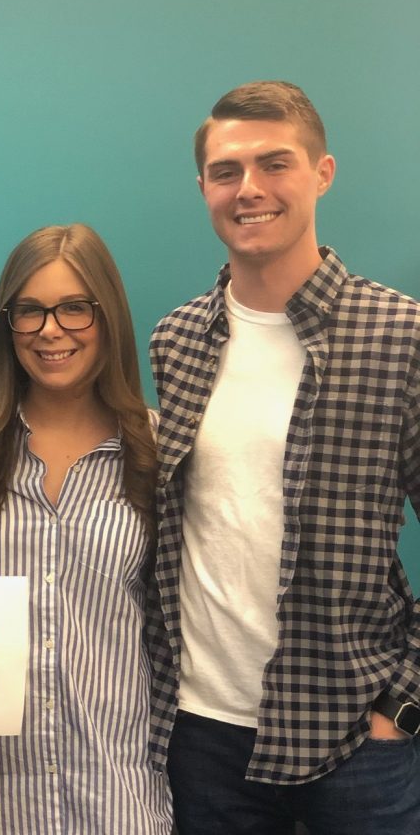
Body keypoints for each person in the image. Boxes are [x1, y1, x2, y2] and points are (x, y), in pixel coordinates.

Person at [149, 80, 420, 834]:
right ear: (203, 185)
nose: (251, 190)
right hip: (201, 735)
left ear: (322, 173)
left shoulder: (401, 336)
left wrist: (406, 697)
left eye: (276, 164)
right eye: (228, 171)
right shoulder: (176, 341)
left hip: (355, 736)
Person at [0, 223, 173, 834]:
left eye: (74, 308)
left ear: (108, 317)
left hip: (117, 792)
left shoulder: (156, 446)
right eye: (28, 311)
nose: (50, 330)